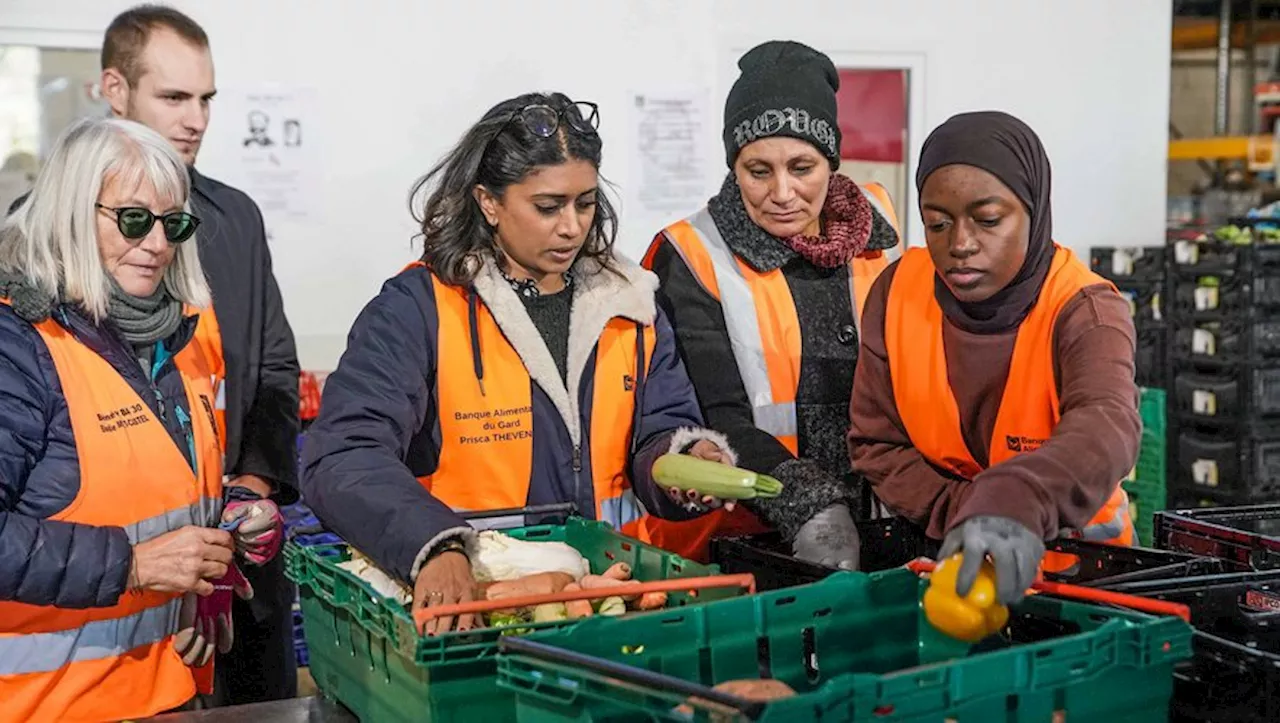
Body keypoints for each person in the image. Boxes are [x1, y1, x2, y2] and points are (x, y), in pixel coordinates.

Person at [301, 92, 738, 634]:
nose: (572, 226)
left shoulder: (631, 304)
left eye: (585, 203)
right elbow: (344, 452)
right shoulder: (419, 308)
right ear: (488, 202)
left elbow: (660, 428)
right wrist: (433, 546)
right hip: (479, 612)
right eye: (548, 206)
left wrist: (685, 459)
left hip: (607, 599)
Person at [0, 117, 241, 721]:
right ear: (73, 213)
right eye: (134, 219)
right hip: (47, 705)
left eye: (174, 224)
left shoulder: (169, 341)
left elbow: (156, 494)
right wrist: (133, 565)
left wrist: (222, 544)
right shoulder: (18, 348)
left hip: (165, 692)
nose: (158, 244)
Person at [848, 111, 1139, 606]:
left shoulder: (1085, 311)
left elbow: (1106, 425)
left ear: (1033, 209)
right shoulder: (897, 292)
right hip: (951, 573)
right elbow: (878, 442)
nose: (960, 245)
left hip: (1080, 582)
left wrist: (1016, 503)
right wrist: (973, 514)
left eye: (988, 221)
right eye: (936, 224)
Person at [97, 5, 301, 704]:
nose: (197, 119)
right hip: (123, 584)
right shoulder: (46, 232)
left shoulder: (235, 218)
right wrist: (160, 554)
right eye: (174, 97)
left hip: (238, 563)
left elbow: (273, 370)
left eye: (207, 98)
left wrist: (253, 490)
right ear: (115, 90)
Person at [641, 40, 900, 566]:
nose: (783, 192)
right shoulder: (690, 255)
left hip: (885, 523)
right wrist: (808, 504)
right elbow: (714, 412)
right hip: (747, 540)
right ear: (734, 167)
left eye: (802, 167)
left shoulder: (879, 233)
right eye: (758, 170)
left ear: (832, 161)